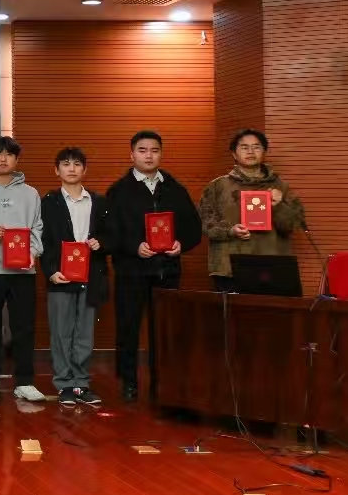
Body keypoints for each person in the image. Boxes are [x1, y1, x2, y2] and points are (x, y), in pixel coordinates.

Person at [106, 130, 202, 402]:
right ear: (132, 155)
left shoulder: (175, 188)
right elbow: (110, 232)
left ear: (161, 154)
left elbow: (194, 228)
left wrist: (181, 243)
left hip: (166, 271)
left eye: (154, 150)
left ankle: (162, 382)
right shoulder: (118, 191)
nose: (149, 156)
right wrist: (134, 247)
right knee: (128, 328)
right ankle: (128, 382)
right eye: (142, 150)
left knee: (165, 331)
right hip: (131, 272)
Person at [39, 147, 114, 407]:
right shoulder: (48, 202)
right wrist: (50, 271)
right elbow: (43, 241)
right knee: (61, 332)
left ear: (84, 169)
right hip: (61, 275)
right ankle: (64, 384)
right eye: (66, 164)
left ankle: (81, 383)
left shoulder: (99, 202)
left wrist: (101, 243)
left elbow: (112, 235)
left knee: (84, 333)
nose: (71, 169)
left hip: (91, 275)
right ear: (56, 170)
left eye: (77, 164)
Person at [0, 136, 44, 404]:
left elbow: (37, 228)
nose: (3, 159)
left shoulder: (30, 193)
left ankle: (24, 382)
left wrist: (31, 254)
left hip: (23, 271)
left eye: (9, 154)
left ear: (16, 159)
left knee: (23, 327)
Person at [199, 129, 307, 292]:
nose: (250, 151)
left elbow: (292, 225)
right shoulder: (218, 186)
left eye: (256, 147)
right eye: (244, 147)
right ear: (234, 154)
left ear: (264, 152)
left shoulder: (281, 187)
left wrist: (278, 205)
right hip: (229, 267)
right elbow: (204, 223)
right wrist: (230, 231)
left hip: (272, 266)